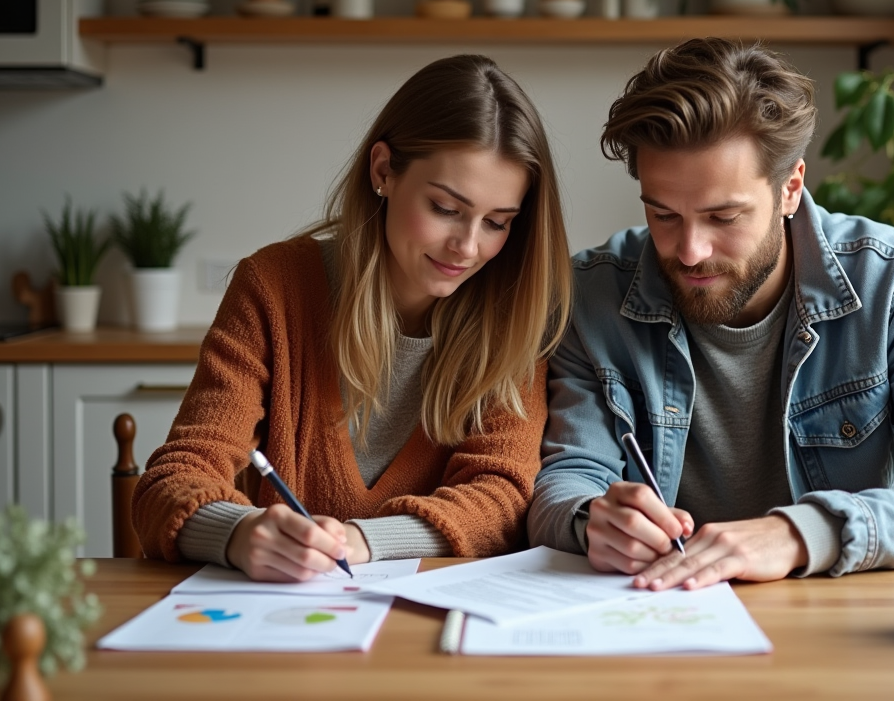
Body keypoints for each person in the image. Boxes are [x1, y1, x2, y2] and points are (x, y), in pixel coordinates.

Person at [527, 38, 894, 591]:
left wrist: (802, 533)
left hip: (838, 626)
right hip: (659, 618)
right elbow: (566, 480)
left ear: (790, 187)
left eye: (724, 216)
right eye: (664, 214)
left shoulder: (893, 283)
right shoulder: (591, 294)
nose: (691, 249)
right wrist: (590, 520)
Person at [134, 55, 572, 582]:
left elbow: (502, 500)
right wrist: (239, 534)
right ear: (383, 170)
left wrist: (361, 541)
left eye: (498, 223)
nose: (468, 247)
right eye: (445, 209)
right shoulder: (273, 287)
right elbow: (175, 477)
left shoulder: (515, 314)